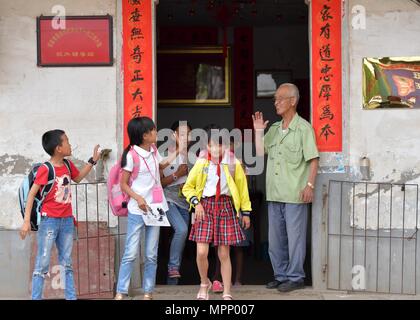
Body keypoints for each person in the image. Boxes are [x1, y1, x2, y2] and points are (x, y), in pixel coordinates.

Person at [253, 83, 319, 293]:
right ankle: (280, 276)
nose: (276, 102)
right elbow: (260, 151)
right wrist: (258, 132)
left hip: (294, 193)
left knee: (295, 239)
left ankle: (295, 276)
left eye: (280, 98)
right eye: (275, 99)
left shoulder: (303, 128)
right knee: (276, 240)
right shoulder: (273, 129)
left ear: (293, 101)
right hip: (275, 193)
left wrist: (310, 185)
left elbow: (313, 159)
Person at [20, 129, 100, 300]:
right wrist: (26, 221)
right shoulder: (45, 169)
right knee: (42, 264)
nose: (70, 144)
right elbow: (32, 194)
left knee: (67, 263)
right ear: (58, 148)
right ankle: (36, 297)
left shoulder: (68, 165)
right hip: (49, 221)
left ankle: (71, 297)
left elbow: (78, 178)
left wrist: (92, 161)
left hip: (66, 222)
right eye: (67, 141)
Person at [182, 125, 252, 300]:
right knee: (201, 252)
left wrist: (246, 212)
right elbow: (188, 187)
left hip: (226, 206)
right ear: (207, 146)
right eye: (213, 145)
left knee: (223, 253)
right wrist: (196, 203)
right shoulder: (201, 162)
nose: (216, 149)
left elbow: (243, 190)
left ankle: (227, 291)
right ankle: (204, 284)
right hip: (204, 207)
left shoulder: (234, 163)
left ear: (226, 146)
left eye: (220, 145)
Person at [114, 117, 169, 300]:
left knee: (151, 254)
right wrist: (138, 198)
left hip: (155, 209)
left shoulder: (153, 150)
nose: (156, 132)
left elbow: (162, 165)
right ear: (145, 135)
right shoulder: (132, 156)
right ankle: (121, 291)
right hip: (138, 210)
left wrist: (180, 149)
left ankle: (148, 292)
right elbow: (123, 184)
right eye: (153, 130)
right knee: (130, 253)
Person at [161, 121, 193, 284]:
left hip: (186, 203)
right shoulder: (166, 156)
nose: (185, 137)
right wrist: (177, 175)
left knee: (181, 235)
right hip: (169, 201)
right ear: (173, 135)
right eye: (180, 133)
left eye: (187, 133)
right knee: (181, 230)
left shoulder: (194, 157)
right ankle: (172, 267)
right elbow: (159, 183)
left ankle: (171, 284)